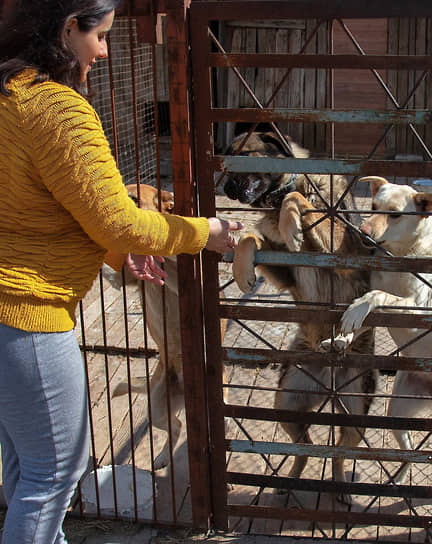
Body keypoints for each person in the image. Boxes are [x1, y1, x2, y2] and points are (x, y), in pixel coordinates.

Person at [0, 2, 242, 542]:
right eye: (101, 36)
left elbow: (40, 207)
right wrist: (206, 233)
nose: (105, 52)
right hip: (29, 316)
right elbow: (123, 221)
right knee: (53, 476)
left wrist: (112, 254)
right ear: (67, 30)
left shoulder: (6, 96)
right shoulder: (55, 109)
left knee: (21, 467)